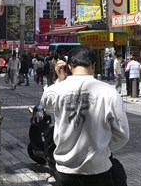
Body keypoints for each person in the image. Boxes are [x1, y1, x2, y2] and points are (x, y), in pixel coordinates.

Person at [40, 46, 130, 185]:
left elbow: (46, 106)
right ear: (94, 65)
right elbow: (122, 134)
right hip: (97, 168)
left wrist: (60, 80)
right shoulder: (109, 92)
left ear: (70, 67)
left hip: (65, 169)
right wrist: (102, 147)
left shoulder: (54, 90)